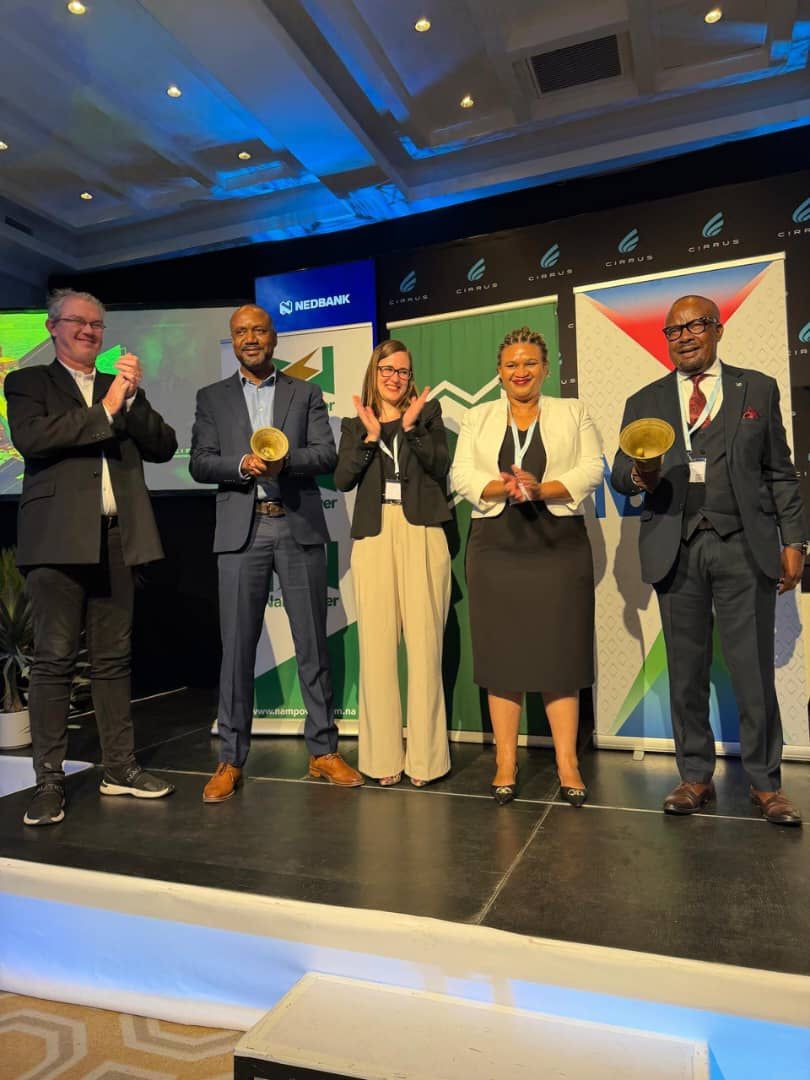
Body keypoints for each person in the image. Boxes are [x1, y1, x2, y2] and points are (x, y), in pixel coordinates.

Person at [611, 294, 807, 825]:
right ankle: (694, 777)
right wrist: (639, 476)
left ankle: (766, 784)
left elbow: (780, 472)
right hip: (675, 549)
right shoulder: (643, 399)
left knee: (753, 672)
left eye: (696, 325)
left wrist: (795, 540)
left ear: (717, 330)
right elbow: (619, 475)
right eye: (674, 331)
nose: (685, 337)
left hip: (744, 546)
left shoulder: (757, 389)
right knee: (685, 672)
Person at [6, 288, 178, 826]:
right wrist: (105, 410)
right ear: (52, 327)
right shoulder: (28, 382)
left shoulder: (117, 386)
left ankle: (120, 768)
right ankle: (49, 782)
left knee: (113, 659)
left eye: (96, 324)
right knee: (54, 661)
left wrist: (132, 400)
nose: (88, 330)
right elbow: (33, 439)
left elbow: (164, 446)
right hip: (56, 540)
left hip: (118, 538)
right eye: (77, 321)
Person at [189, 304, 362, 802]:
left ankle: (323, 751)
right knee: (237, 649)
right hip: (240, 534)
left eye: (259, 330)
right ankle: (230, 759)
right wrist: (241, 465)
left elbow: (325, 454)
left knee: (312, 644)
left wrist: (284, 463)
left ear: (273, 337)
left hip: (295, 525)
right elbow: (200, 462)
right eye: (241, 332)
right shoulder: (212, 398)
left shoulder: (304, 393)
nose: (250, 338)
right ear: (233, 340)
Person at [451, 327, 603, 805]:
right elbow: (461, 475)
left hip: (558, 544)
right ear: (499, 372)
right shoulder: (477, 417)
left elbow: (593, 468)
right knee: (503, 658)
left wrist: (540, 489)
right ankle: (505, 761)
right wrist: (506, 487)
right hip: (496, 546)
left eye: (530, 362)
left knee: (562, 656)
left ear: (546, 368)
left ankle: (567, 762)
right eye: (512, 364)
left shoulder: (573, 411)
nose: (521, 371)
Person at [335, 340, 452, 787]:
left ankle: (426, 761)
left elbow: (440, 466)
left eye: (402, 371)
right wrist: (370, 438)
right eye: (387, 369)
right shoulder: (356, 423)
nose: (394, 377)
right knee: (377, 650)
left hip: (422, 531)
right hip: (375, 534)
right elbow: (343, 478)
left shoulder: (428, 413)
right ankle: (383, 758)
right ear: (375, 372)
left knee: (425, 648)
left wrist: (411, 428)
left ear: (410, 376)